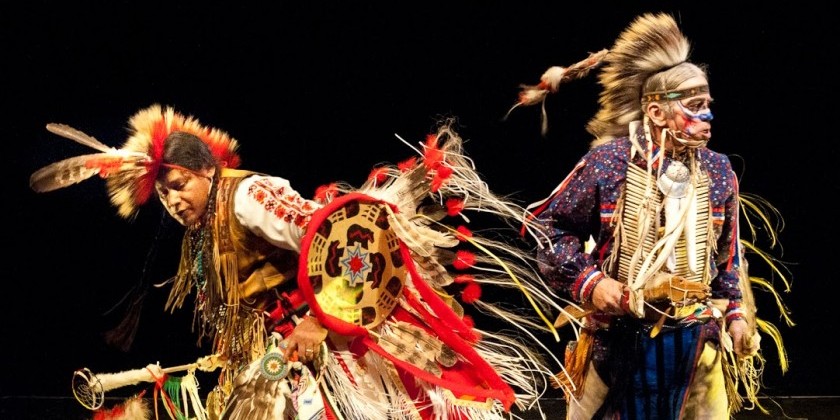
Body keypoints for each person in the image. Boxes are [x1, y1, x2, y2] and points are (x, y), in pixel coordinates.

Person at [30, 105, 562, 419]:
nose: (171, 202)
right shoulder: (204, 223)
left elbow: (345, 238)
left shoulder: (246, 196)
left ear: (203, 172)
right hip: (278, 359)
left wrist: (316, 323)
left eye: (176, 186)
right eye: (163, 196)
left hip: (325, 352)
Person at [509, 13, 791, 419]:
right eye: (694, 107)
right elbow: (548, 229)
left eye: (708, 106)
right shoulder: (608, 164)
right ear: (657, 113)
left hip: (696, 346)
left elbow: (728, 257)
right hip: (618, 341)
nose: (708, 117)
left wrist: (736, 314)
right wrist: (592, 282)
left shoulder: (718, 170)